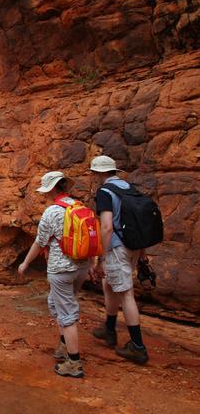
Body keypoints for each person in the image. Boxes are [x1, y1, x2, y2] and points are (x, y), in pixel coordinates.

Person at [18, 171, 91, 378]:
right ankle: (63, 344)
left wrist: (25, 263)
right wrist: (92, 264)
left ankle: (74, 363)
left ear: (51, 189)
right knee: (55, 302)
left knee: (66, 313)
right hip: (81, 267)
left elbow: (40, 242)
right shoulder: (81, 208)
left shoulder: (52, 212)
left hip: (61, 269)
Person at [89, 155, 149, 364]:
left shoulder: (105, 192)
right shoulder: (128, 188)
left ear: (99, 173)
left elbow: (106, 226)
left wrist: (102, 258)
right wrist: (142, 251)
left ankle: (138, 347)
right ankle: (109, 329)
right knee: (109, 286)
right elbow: (140, 220)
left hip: (116, 247)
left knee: (126, 294)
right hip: (133, 245)